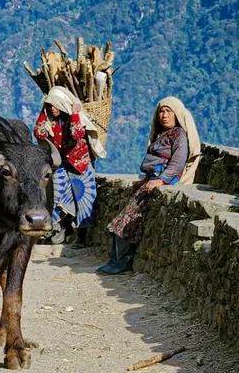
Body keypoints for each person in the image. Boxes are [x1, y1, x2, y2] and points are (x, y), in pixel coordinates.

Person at [97, 96, 201, 275]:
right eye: (161, 111)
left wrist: (160, 181)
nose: (164, 115)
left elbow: (176, 163)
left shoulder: (179, 136)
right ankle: (115, 260)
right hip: (151, 179)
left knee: (129, 219)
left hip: (163, 180)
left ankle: (123, 261)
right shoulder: (162, 134)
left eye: (168, 111)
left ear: (177, 114)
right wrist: (145, 181)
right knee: (123, 218)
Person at [34, 86, 103, 246]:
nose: (53, 108)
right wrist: (44, 117)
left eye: (56, 105)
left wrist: (74, 114)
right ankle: (60, 229)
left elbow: (77, 134)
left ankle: (82, 236)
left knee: (83, 197)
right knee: (56, 194)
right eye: (50, 105)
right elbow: (39, 133)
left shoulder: (75, 118)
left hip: (80, 164)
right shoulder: (48, 118)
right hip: (60, 163)